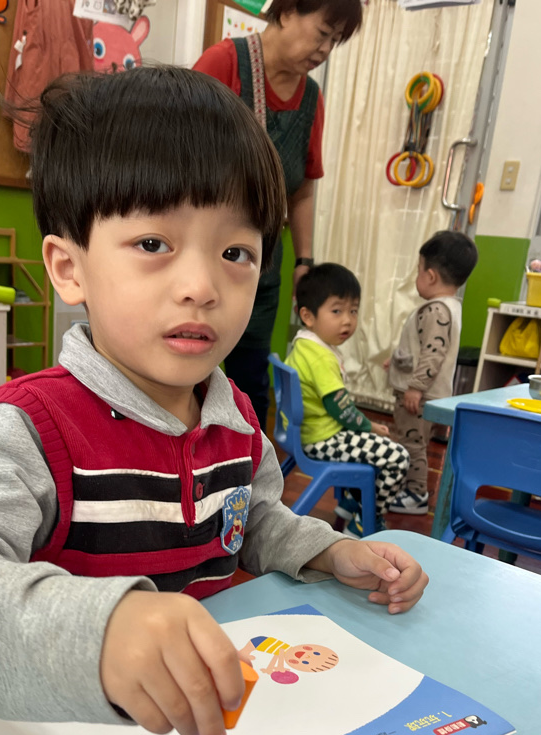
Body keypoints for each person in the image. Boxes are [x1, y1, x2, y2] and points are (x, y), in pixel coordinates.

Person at [0, 67, 427, 735]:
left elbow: (249, 521)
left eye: (235, 252)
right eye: (153, 244)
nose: (200, 286)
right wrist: (103, 634)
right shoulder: (33, 429)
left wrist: (327, 550)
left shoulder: (235, 418)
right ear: (69, 268)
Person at [194, 0, 363, 431]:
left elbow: (302, 190)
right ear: (287, 12)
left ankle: (249, 466)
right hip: (203, 254)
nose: (325, 50)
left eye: (334, 41)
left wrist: (304, 260)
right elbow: (178, 158)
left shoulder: (311, 97)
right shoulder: (224, 64)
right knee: (191, 366)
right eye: (322, 33)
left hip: (263, 257)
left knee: (251, 375)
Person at [285, 263, 409, 534]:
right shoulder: (320, 357)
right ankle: (364, 520)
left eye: (353, 311)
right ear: (307, 315)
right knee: (397, 457)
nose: (348, 320)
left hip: (307, 434)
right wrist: (370, 426)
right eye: (337, 311)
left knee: (376, 450)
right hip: (322, 440)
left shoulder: (304, 344)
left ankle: (352, 501)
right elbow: (341, 409)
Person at [385, 231, 478, 515]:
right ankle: (411, 488)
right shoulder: (449, 307)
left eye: (418, 271)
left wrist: (415, 387)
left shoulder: (435, 310)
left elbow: (433, 353)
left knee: (412, 443)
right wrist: (397, 361)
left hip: (420, 397)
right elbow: (423, 348)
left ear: (431, 276)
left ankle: (416, 494)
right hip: (427, 394)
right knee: (415, 441)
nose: (417, 277)